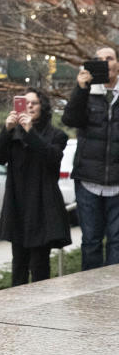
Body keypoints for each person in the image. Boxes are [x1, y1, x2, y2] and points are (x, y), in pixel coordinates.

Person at [0, 88, 71, 286]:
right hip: (18, 205)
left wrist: (30, 132)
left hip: (42, 207)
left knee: (39, 265)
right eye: (25, 103)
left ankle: (40, 310)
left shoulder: (56, 135)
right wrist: (6, 130)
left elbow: (51, 157)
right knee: (18, 266)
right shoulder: (13, 134)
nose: (29, 107)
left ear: (42, 107)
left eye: (34, 103)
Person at [62, 46, 119, 270]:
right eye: (99, 59)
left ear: (118, 63)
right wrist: (81, 88)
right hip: (88, 182)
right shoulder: (87, 93)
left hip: (117, 183)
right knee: (91, 241)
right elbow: (70, 119)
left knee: (117, 241)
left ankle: (114, 294)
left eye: (110, 58)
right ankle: (90, 295)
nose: (105, 63)